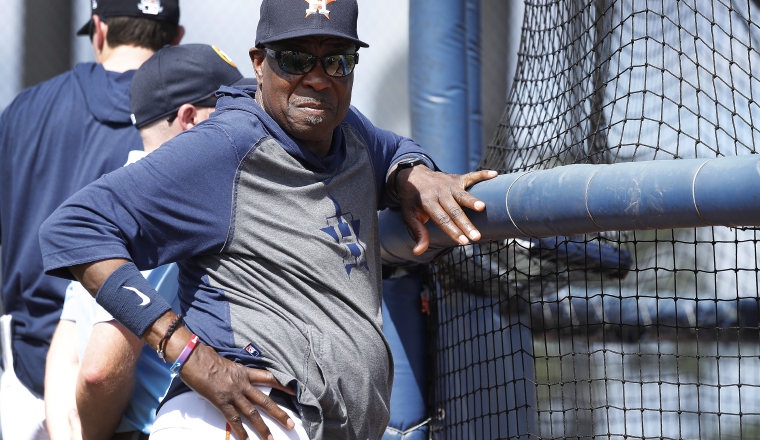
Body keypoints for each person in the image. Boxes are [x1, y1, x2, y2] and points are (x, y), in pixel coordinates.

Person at [39, 1, 497, 439]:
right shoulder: (226, 147)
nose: (318, 79)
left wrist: (415, 172)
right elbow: (75, 227)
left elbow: (392, 149)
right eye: (296, 59)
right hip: (240, 417)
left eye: (337, 61)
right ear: (259, 63)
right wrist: (189, 356)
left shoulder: (347, 130)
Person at [44, 44, 257, 440]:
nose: (246, 122)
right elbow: (97, 371)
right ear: (190, 119)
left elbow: (64, 352)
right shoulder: (172, 205)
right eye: (229, 109)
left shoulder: (108, 200)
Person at [0, 1, 184, 438]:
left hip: (28, 373)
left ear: (99, 29)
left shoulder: (23, 109)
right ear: (175, 41)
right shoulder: (184, 120)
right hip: (143, 382)